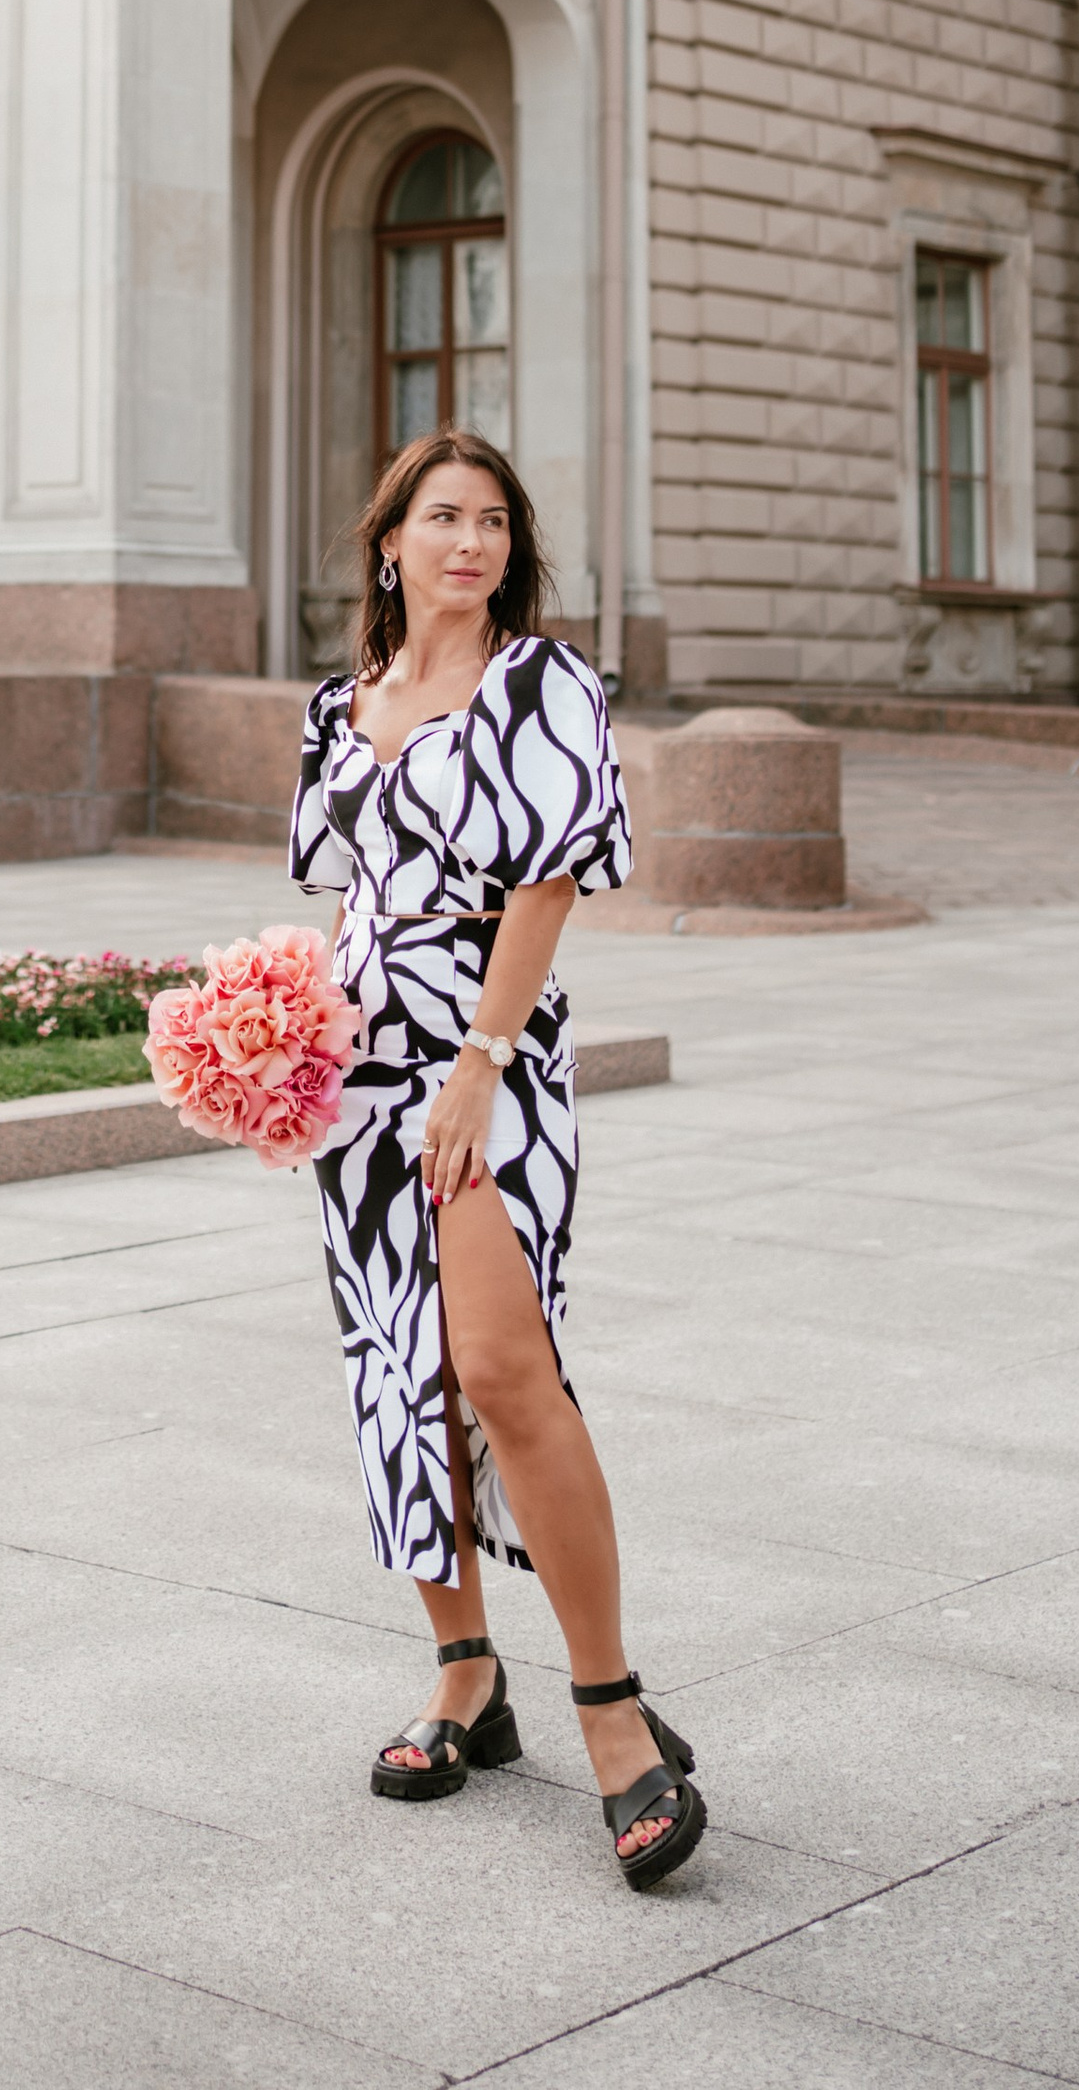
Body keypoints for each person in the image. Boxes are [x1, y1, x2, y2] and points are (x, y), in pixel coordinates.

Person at [290, 425, 706, 1887]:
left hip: (486, 1061)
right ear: (388, 542)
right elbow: (352, 897)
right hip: (358, 1078)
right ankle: (466, 1674)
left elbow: (547, 882)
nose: (470, 542)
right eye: (443, 517)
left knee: (501, 1368)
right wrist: (281, 1052)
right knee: (397, 1371)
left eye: (493, 522)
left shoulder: (542, 685)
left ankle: (613, 1713)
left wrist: (477, 1062)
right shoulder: (338, 707)